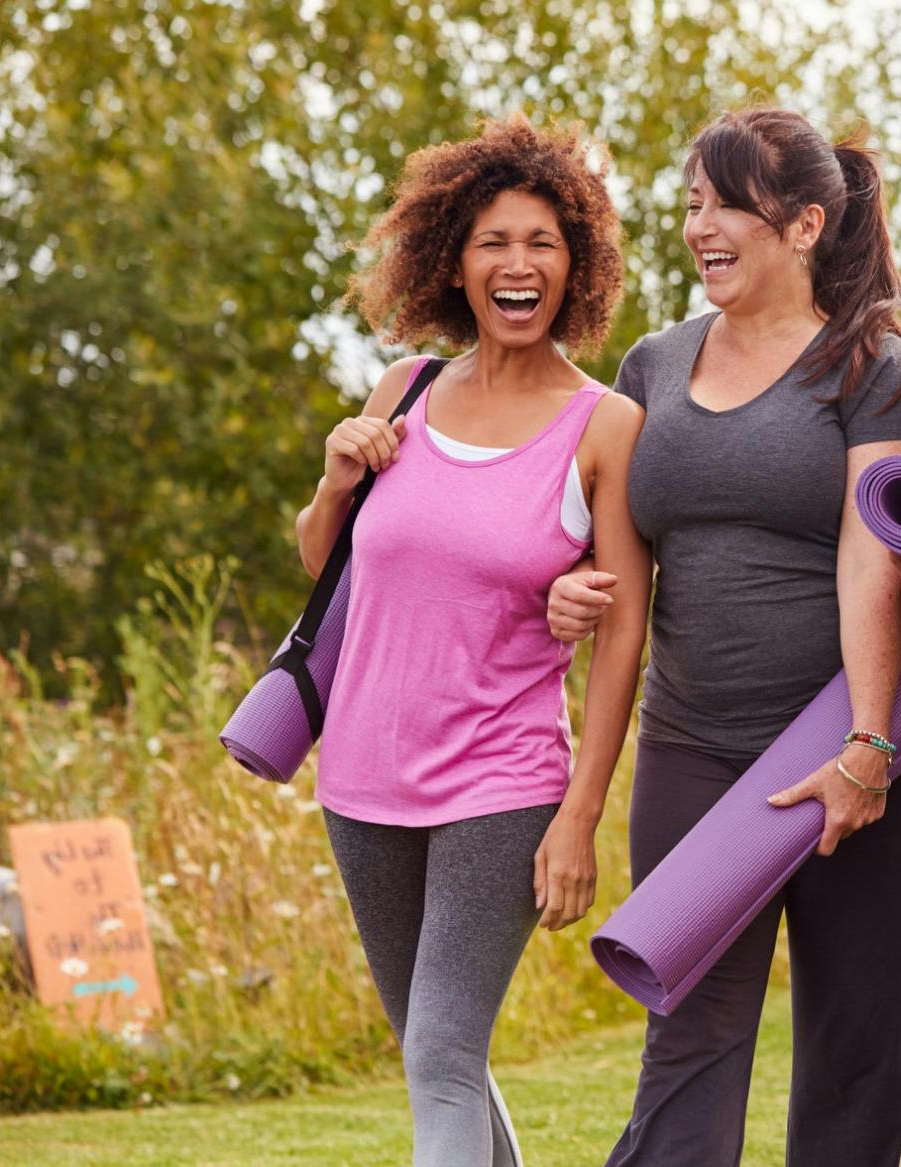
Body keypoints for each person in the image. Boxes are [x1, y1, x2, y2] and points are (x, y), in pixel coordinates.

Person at [543, 107, 901, 1166]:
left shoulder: (872, 363)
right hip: (692, 746)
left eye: (727, 203)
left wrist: (868, 744)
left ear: (806, 225)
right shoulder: (650, 367)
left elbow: (872, 550)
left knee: (855, 1043)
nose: (699, 226)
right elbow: (613, 573)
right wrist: (567, 596)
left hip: (849, 751)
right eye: (690, 203)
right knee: (688, 1032)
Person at [299, 115, 649, 1167]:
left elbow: (622, 630)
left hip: (501, 784)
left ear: (574, 267)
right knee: (430, 1051)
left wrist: (581, 814)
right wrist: (335, 477)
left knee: (444, 1051)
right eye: (495, 240)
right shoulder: (401, 391)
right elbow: (328, 568)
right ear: (454, 258)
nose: (518, 263)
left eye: (543, 242)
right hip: (359, 778)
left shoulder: (603, 426)